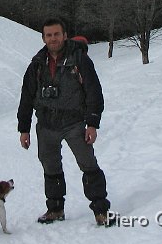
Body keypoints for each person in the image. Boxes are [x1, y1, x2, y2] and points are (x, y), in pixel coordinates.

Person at [17, 18, 113, 226]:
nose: (53, 38)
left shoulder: (80, 59)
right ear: (43, 38)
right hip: (46, 124)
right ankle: (55, 209)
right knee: (50, 167)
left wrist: (92, 123)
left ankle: (101, 211)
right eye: (49, 35)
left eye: (56, 34)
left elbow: (93, 92)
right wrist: (23, 129)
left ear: (64, 35)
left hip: (74, 123)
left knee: (88, 165)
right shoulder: (37, 64)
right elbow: (26, 96)